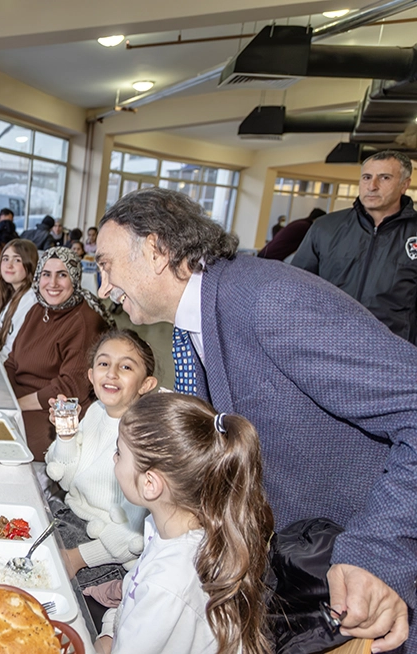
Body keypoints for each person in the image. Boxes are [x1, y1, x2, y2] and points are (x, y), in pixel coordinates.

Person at [96, 187, 414, 652]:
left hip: (359, 589)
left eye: (106, 265)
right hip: (292, 585)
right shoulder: (196, 324)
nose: (104, 287)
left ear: (156, 250)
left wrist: (379, 552)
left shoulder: (271, 301)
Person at [98, 392, 273, 654]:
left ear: (150, 484)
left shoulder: (168, 583)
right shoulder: (173, 529)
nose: (114, 459)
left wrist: (102, 642)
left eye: (119, 453)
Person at [44, 329, 157, 590]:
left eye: (126, 366)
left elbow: (135, 532)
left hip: (106, 555)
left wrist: (76, 559)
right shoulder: (96, 411)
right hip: (71, 518)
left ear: (146, 384)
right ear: (91, 375)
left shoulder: (144, 435)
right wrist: (66, 435)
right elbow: (69, 481)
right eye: (104, 363)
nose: (112, 373)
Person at [292, 151, 417, 344]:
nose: (372, 186)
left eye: (384, 178)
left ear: (404, 185)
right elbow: (296, 289)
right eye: (367, 177)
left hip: (392, 353)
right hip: (326, 345)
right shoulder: (325, 227)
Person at [4, 247, 111, 462]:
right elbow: (13, 361)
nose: (52, 283)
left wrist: (15, 405)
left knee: (5, 445)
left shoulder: (84, 322)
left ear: (74, 278)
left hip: (54, 413)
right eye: (46, 274)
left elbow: (69, 388)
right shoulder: (38, 309)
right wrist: (2, 393)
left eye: (62, 274)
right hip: (20, 401)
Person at [0, 239, 38, 360]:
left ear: (30, 264)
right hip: (2, 360)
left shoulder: (31, 300)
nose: (9, 265)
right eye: (5, 259)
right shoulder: (13, 292)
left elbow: (15, 352)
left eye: (17, 260)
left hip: (10, 368)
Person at [257, 208, 325, 261]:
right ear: (317, 219)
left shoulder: (300, 223)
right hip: (271, 257)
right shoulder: (305, 227)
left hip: (267, 254)